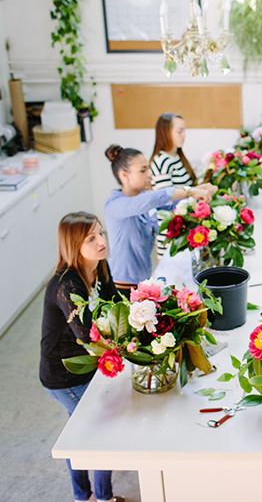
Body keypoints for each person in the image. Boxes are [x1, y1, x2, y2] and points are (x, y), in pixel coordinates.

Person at [40, 212, 124, 502]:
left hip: (87, 368)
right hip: (64, 375)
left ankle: (82, 495)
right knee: (100, 435)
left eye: (100, 233)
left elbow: (116, 306)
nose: (101, 241)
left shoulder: (99, 266)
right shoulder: (67, 286)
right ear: (73, 246)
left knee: (78, 434)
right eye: (91, 238)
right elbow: (90, 337)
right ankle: (101, 498)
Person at [104, 144, 216, 297]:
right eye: (143, 170)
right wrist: (190, 191)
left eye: (148, 169)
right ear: (125, 175)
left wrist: (198, 193)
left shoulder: (142, 199)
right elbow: (154, 199)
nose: (150, 174)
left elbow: (170, 205)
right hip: (120, 287)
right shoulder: (115, 206)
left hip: (142, 283)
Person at [150, 113, 198, 258]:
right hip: (171, 236)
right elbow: (166, 200)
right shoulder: (162, 162)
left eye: (184, 131)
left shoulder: (176, 157)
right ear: (165, 132)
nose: (184, 135)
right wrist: (196, 192)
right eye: (179, 131)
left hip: (183, 232)